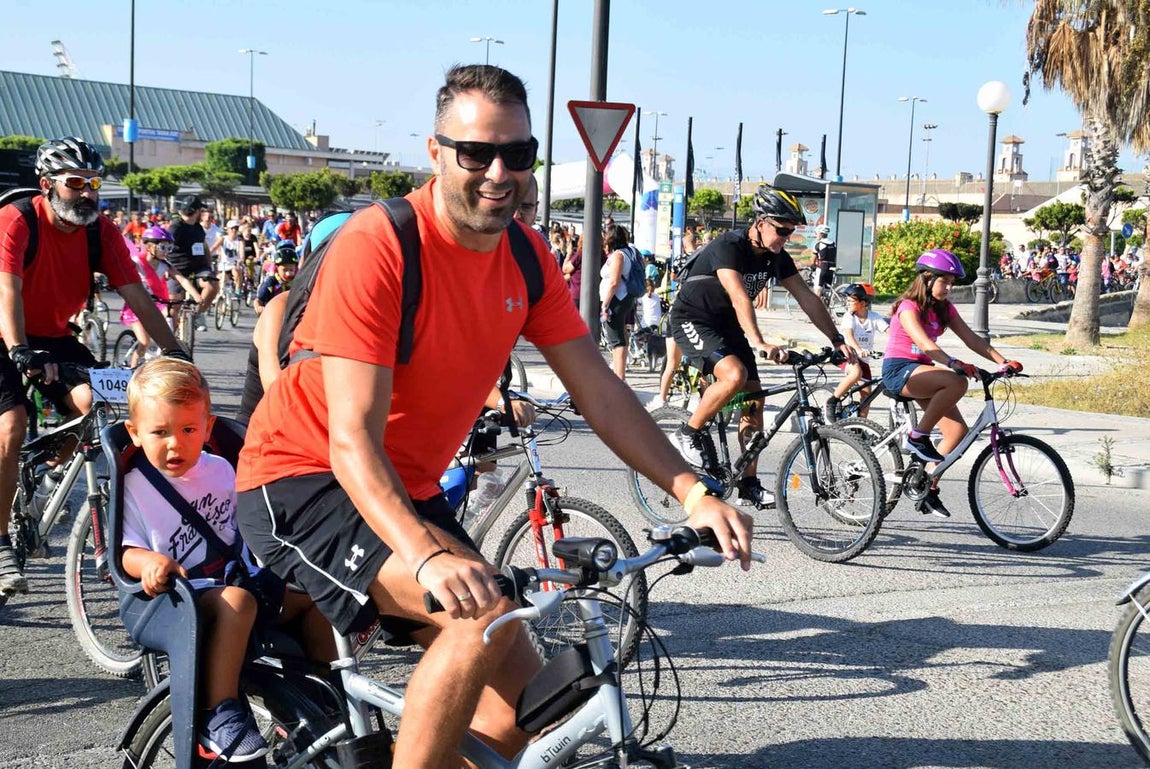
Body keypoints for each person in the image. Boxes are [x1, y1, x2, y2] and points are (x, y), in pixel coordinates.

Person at [234, 64, 754, 769]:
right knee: (478, 612)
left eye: (518, 153)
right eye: (476, 152)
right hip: (305, 476)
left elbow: (598, 389)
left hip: (404, 483)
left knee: (526, 712)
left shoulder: (527, 255)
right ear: (436, 151)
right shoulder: (379, 244)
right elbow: (350, 437)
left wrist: (692, 487)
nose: (498, 172)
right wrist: (427, 553)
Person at [0, 136, 186, 595]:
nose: (87, 193)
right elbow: (7, 291)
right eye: (74, 183)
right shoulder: (18, 219)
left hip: (56, 336)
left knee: (96, 406)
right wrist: (21, 350)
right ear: (47, 185)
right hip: (4, 330)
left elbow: (137, 295)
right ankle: (0, 541)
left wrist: (176, 352)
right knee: (12, 425)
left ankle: (41, 471)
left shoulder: (99, 231)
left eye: (93, 184)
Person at [668, 184, 856, 507]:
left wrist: (836, 339)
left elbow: (807, 298)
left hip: (727, 327)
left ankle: (748, 482)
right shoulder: (729, 246)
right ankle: (688, 432)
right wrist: (758, 341)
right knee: (734, 375)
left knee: (752, 405)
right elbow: (739, 295)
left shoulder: (775, 257)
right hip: (693, 319)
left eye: (791, 232)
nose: (786, 237)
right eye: (781, 230)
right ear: (761, 221)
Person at [120, 359, 269, 761]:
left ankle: (320, 703)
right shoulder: (135, 484)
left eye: (188, 430)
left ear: (207, 426)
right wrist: (148, 562)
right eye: (160, 432)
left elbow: (248, 527)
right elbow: (124, 550)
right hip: (177, 596)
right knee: (239, 604)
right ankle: (217, 714)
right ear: (134, 433)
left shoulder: (221, 468)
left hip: (235, 578)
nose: (175, 444)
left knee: (310, 599)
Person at [880, 249, 1022, 518]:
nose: (949, 287)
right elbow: (924, 344)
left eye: (952, 283)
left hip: (923, 372)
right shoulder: (907, 307)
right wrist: (955, 363)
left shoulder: (945, 309)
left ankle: (926, 486)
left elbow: (972, 339)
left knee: (957, 433)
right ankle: (917, 437)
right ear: (927, 278)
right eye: (944, 281)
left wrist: (1003, 361)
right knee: (957, 381)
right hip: (899, 370)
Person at [120, 226, 203, 368]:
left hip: (154, 304)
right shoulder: (136, 262)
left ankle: (166, 349)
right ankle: (131, 372)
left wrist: (196, 296)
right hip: (135, 306)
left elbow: (182, 279)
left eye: (169, 247)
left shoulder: (165, 265)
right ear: (150, 246)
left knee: (170, 314)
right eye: (163, 247)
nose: (166, 252)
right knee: (144, 342)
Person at [823, 283, 888, 420]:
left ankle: (860, 425)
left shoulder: (874, 317)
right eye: (847, 301)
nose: (848, 303)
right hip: (846, 355)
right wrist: (858, 349)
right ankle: (832, 401)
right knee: (856, 372)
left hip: (862, 359)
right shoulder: (849, 317)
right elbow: (849, 335)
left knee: (867, 395)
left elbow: (890, 331)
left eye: (851, 301)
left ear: (863, 303)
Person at [167, 195, 219, 331]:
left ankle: (198, 313)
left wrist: (209, 267)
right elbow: (165, 246)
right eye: (201, 210)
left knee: (212, 284)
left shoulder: (198, 228)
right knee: (174, 308)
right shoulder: (175, 227)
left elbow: (205, 247)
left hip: (198, 268)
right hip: (178, 269)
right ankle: (171, 340)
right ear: (196, 212)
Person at [254, 242, 297, 314]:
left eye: (291, 270)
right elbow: (259, 299)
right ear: (277, 268)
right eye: (284, 270)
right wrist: (258, 307)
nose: (288, 273)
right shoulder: (271, 281)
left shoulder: (298, 282)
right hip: (273, 313)